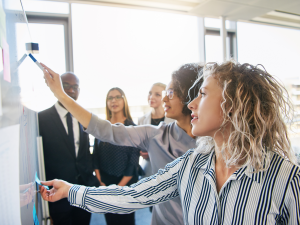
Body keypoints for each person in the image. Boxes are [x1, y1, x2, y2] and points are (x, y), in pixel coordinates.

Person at [41, 62, 300, 224]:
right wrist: (71, 191)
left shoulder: (287, 180)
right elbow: (132, 196)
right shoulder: (189, 164)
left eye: (202, 94)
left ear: (231, 105)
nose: (192, 103)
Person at [40, 62, 203, 225]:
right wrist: (61, 95)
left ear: (190, 96)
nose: (165, 98)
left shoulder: (211, 145)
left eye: (171, 92)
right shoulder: (155, 134)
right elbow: (104, 130)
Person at [38, 72, 99, 225]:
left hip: (83, 190)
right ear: (58, 87)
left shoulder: (83, 117)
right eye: (66, 85)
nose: (71, 90)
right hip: (58, 194)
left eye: (75, 87)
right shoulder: (41, 119)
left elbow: (85, 152)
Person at [93, 87, 140, 225]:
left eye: (118, 97)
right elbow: (95, 156)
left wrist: (118, 189)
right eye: (110, 98)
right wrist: (101, 183)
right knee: (111, 221)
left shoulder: (133, 128)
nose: (114, 100)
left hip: (126, 186)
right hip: (105, 184)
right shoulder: (101, 126)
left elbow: (133, 163)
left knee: (126, 221)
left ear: (124, 100)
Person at [138, 82, 174, 179]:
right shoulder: (141, 120)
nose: (151, 97)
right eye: (150, 93)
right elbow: (139, 145)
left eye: (157, 94)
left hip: (168, 170)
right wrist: (140, 152)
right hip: (147, 170)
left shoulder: (173, 120)